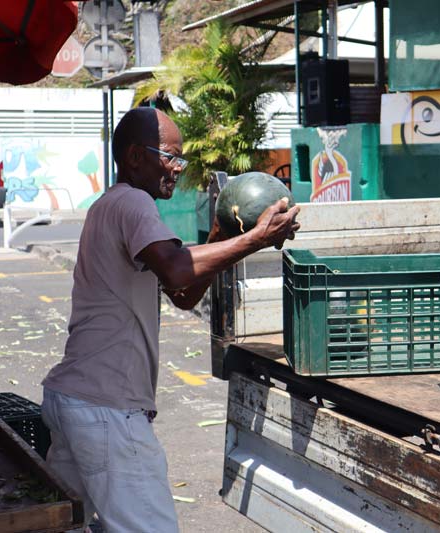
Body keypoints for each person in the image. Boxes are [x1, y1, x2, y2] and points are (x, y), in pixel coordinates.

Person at [40, 107, 300, 532]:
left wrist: (221, 235)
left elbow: (182, 293)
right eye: (169, 156)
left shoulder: (108, 205)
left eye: (181, 159)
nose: (177, 169)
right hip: (107, 412)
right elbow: (179, 269)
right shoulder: (133, 201)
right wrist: (257, 239)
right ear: (134, 156)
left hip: (73, 402)